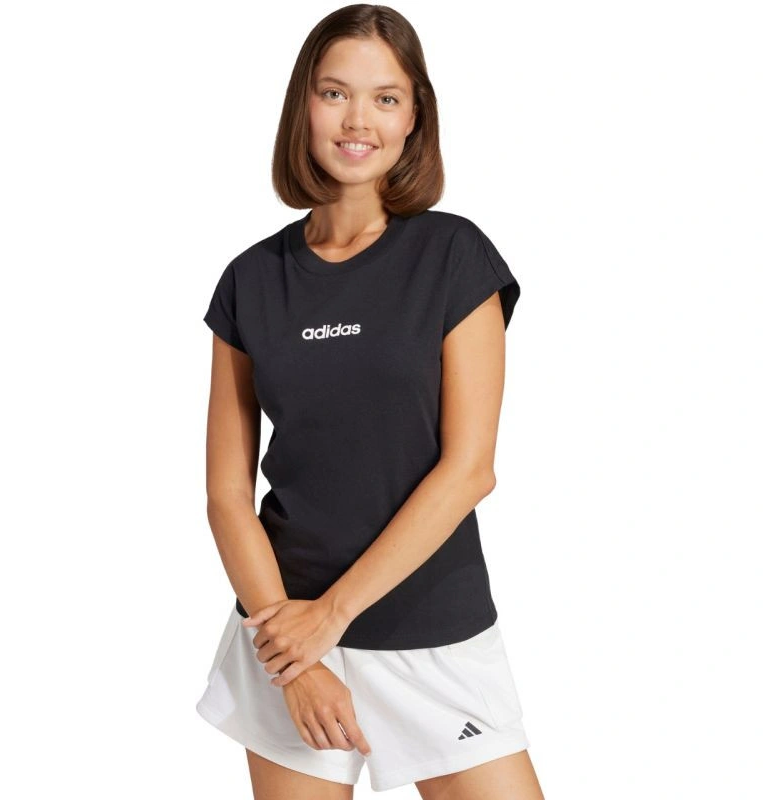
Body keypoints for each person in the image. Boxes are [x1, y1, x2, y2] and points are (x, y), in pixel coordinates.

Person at [195, 4, 545, 797]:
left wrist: (332, 615)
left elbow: (470, 469)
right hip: (283, 630)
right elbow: (226, 496)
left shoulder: (453, 256)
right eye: (335, 93)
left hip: (429, 625)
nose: (358, 120)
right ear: (304, 105)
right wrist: (297, 654)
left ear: (414, 117)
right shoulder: (250, 281)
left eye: (386, 98)